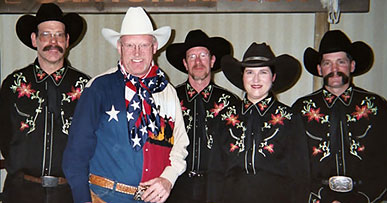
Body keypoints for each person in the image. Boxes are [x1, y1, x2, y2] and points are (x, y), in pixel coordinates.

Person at [62, 7, 189, 203]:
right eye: (130, 45)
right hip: (104, 198)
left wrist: (168, 178)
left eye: (144, 45)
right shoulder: (99, 87)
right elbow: (75, 154)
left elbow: (180, 141)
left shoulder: (167, 91)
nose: (137, 52)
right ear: (119, 47)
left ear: (154, 47)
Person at [0, 3, 90, 203]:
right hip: (20, 192)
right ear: (34, 40)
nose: (53, 41)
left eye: (59, 35)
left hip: (69, 192)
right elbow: (4, 137)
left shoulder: (86, 87)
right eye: (46, 34)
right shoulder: (13, 84)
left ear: (67, 41)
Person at [292, 30, 387, 203]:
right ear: (319, 69)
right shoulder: (301, 109)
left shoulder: (377, 107)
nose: (334, 69)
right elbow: (295, 163)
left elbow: (383, 163)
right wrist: (320, 198)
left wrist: (362, 199)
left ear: (352, 65)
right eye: (327, 63)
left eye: (341, 62)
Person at [209, 42, 309, 203]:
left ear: (273, 77)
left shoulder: (290, 118)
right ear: (242, 77)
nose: (256, 79)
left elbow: (300, 176)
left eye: (263, 72)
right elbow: (215, 171)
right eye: (249, 72)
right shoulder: (225, 117)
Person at [164, 29, 239, 203]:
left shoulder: (230, 102)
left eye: (203, 55)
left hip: (218, 189)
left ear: (212, 61)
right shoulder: (170, 98)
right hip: (177, 187)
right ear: (185, 63)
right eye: (192, 57)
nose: (198, 62)